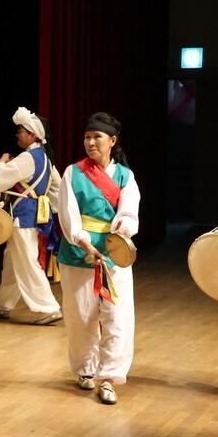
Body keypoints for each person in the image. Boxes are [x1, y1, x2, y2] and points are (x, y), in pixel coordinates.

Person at [55, 112, 140, 405]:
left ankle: (109, 377)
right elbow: (68, 215)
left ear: (112, 141)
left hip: (114, 255)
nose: (91, 142)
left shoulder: (125, 177)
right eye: (87, 137)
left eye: (97, 137)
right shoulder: (72, 172)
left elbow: (129, 213)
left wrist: (119, 237)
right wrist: (83, 241)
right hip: (79, 255)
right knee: (81, 317)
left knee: (117, 318)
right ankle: (86, 370)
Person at [0, 106, 63, 325]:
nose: (17, 134)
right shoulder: (46, 159)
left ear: (33, 134)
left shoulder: (28, 158)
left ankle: (48, 307)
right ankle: (3, 303)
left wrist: (0, 164)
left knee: (27, 262)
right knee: (13, 260)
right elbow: (57, 188)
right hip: (34, 215)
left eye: (21, 130)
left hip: (23, 216)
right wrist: (50, 207)